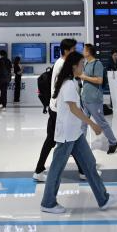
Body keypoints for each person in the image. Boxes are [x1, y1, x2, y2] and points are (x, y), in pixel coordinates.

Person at [40, 51, 117, 214]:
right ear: (74, 66)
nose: (83, 67)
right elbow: (74, 109)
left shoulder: (71, 82)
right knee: (57, 169)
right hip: (66, 135)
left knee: (89, 164)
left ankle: (103, 199)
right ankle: (48, 203)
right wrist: (92, 124)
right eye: (82, 64)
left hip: (75, 133)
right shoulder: (68, 84)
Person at [33, 39, 86, 182]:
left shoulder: (60, 62)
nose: (75, 52)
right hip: (59, 109)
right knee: (66, 139)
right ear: (67, 50)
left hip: (56, 108)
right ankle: (39, 170)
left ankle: (83, 170)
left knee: (66, 140)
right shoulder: (63, 64)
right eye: (73, 50)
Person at [81, 44, 117, 153]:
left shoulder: (97, 64)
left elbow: (99, 80)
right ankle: (80, 147)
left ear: (88, 52)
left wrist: (84, 77)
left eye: (84, 50)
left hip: (94, 99)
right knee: (83, 124)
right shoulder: (86, 63)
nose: (82, 51)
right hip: (85, 98)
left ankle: (113, 142)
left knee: (101, 122)